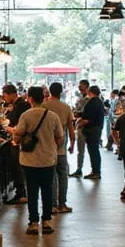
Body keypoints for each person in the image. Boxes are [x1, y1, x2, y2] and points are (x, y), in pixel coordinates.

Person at [13, 86, 63, 235]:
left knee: (32, 191)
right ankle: (46, 221)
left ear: (30, 99)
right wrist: (51, 146)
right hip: (48, 159)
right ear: (43, 98)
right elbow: (60, 137)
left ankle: (33, 222)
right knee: (47, 189)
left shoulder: (26, 115)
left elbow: (17, 136)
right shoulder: (53, 116)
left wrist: (19, 138)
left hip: (29, 160)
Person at [43, 82, 76, 214]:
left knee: (51, 177)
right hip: (61, 147)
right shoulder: (66, 107)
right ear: (61, 92)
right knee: (63, 175)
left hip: (46, 147)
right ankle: (62, 204)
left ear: (50, 91)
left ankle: (52, 205)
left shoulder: (44, 106)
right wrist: (72, 144)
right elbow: (71, 128)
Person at [3, 84, 30, 204]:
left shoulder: (21, 105)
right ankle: (21, 192)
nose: (5, 98)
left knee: (17, 166)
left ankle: (21, 194)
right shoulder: (16, 105)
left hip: (18, 139)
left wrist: (8, 126)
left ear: (12, 94)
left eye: (5, 95)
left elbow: (15, 122)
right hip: (16, 138)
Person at [77, 85, 105, 180]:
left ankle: (96, 171)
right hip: (96, 128)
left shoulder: (94, 101)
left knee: (93, 150)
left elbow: (89, 118)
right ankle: (95, 170)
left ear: (91, 92)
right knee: (93, 150)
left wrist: (79, 124)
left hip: (93, 129)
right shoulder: (98, 101)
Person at [69, 79, 90, 177]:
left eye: (81, 85)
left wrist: (79, 113)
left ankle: (95, 170)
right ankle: (79, 168)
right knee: (80, 149)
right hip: (80, 125)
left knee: (92, 149)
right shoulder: (79, 97)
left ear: (86, 86)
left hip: (89, 126)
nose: (79, 87)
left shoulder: (90, 98)